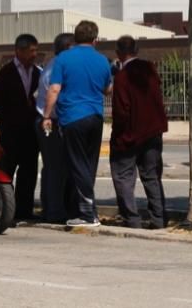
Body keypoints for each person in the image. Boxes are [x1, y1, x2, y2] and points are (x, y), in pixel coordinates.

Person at [42, 20, 112, 227]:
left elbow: (54, 88)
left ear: (75, 38)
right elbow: (108, 89)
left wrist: (47, 115)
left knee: (76, 163)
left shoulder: (64, 59)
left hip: (72, 116)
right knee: (89, 163)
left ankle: (87, 213)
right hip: (96, 116)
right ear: (95, 39)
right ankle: (90, 210)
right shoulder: (102, 60)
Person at [109, 35, 168, 229]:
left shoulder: (122, 77)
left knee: (123, 176)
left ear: (119, 53)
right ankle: (159, 218)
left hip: (129, 134)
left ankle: (132, 218)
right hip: (152, 130)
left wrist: (118, 134)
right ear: (136, 50)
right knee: (151, 175)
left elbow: (121, 110)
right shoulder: (150, 69)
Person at [0, 33, 41, 221]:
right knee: (6, 171)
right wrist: (5, 122)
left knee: (29, 172)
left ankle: (23, 211)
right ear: (19, 51)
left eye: (36, 50)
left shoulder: (37, 72)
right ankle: (4, 210)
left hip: (30, 133)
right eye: (31, 50)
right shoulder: (7, 73)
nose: (35, 54)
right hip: (10, 133)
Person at [33, 32, 75, 223]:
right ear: (67, 48)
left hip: (51, 119)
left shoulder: (56, 64)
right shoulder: (56, 66)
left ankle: (53, 207)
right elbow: (54, 92)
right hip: (50, 120)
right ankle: (54, 211)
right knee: (55, 168)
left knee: (54, 168)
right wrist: (48, 116)